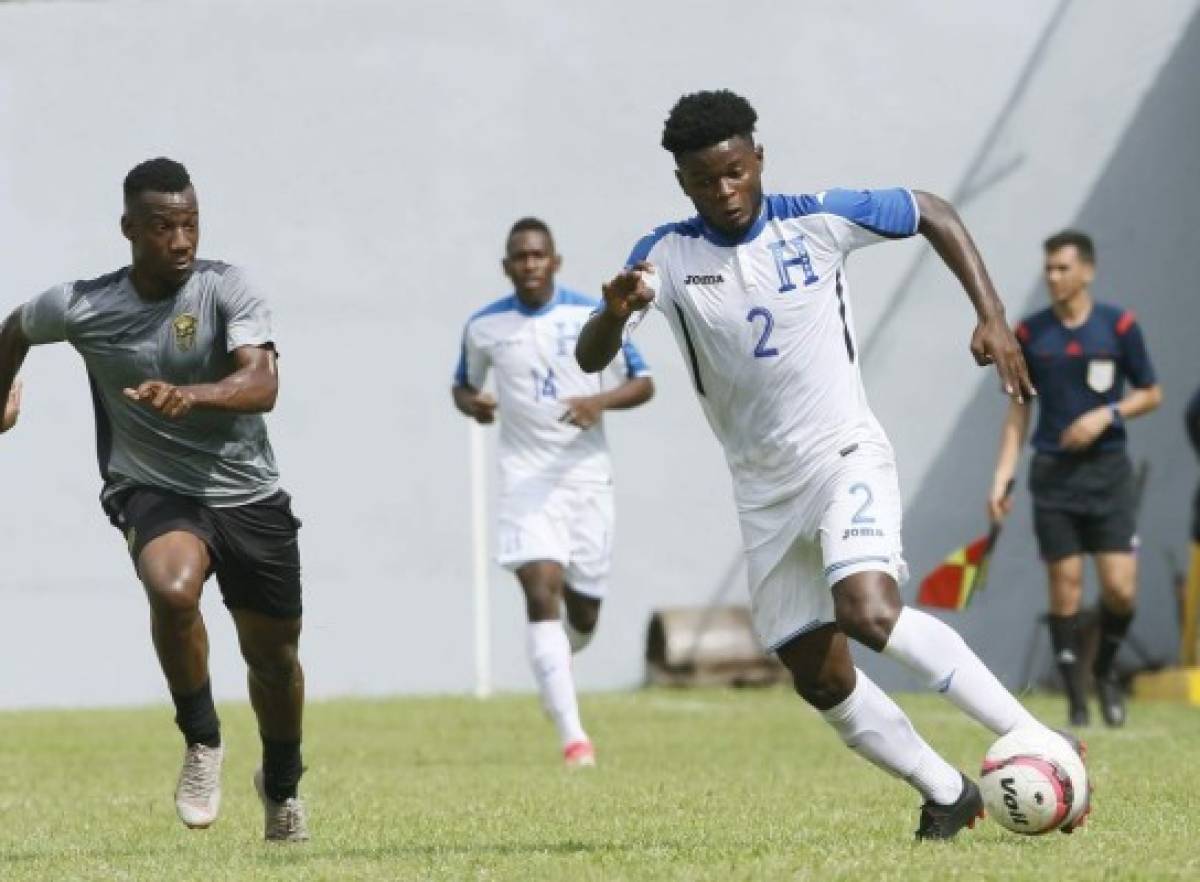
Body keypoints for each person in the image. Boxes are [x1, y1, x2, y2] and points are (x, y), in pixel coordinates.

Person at [576, 89, 1084, 839]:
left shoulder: (816, 218)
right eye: (706, 180)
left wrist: (992, 316)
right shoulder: (664, 257)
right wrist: (615, 312)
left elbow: (932, 210)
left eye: (736, 171)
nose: (725, 192)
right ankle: (946, 791)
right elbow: (593, 354)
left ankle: (1039, 740)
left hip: (843, 454)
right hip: (763, 491)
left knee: (868, 609)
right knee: (817, 674)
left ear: (757, 159)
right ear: (683, 183)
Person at [0, 158, 309, 842]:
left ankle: (281, 783)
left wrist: (192, 395)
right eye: (164, 226)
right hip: (151, 488)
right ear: (130, 228)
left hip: (247, 492)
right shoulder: (86, 305)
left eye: (190, 223)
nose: (181, 240)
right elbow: (17, 325)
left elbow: (262, 382)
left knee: (274, 659)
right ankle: (202, 742)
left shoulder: (227, 286)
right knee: (172, 589)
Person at [452, 217, 653, 767]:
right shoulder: (484, 327)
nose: (530, 264)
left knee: (582, 616)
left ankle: (555, 669)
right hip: (525, 479)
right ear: (507, 266)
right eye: (520, 256)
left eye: (539, 255)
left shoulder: (593, 313)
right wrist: (477, 405)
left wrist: (598, 403)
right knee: (541, 590)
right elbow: (463, 387)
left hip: (588, 479)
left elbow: (644, 382)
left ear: (555, 261)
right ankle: (574, 739)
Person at [988, 231, 1162, 728]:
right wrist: (1001, 478)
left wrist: (1107, 414)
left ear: (1087, 270)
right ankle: (1079, 705)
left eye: (1063, 268)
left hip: (1108, 474)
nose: (1054, 277)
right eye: (1049, 268)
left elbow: (1151, 393)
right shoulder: (1030, 335)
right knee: (1065, 588)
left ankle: (1104, 669)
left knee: (1121, 589)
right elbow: (1018, 412)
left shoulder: (1119, 326)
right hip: (1053, 476)